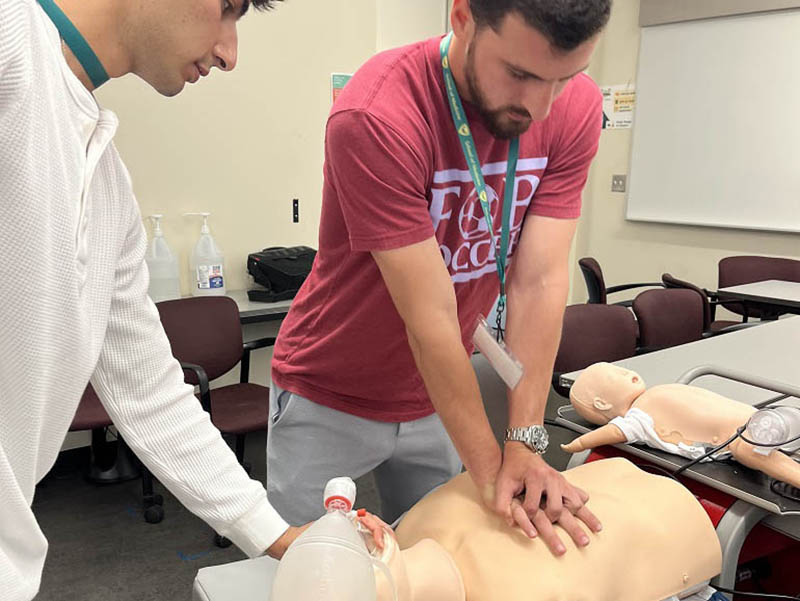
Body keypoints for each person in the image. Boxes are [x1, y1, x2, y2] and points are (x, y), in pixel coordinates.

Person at [0, 0, 329, 598]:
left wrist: (281, 538)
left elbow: (150, 393)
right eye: (228, 9)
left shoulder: (105, 188)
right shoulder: (12, 40)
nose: (230, 53)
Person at [269, 0, 610, 556]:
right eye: (520, 74)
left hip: (438, 400)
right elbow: (429, 320)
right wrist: (492, 468)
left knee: (446, 563)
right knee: (309, 571)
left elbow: (540, 283)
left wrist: (524, 444)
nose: (541, 107)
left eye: (564, 78)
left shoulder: (574, 109)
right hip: (331, 391)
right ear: (462, 17)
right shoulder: (379, 114)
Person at [560, 362, 800, 488]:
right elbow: (612, 433)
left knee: (780, 444)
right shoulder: (636, 419)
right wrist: (580, 442)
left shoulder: (654, 393)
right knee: (762, 454)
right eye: (616, 374)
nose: (627, 372)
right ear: (601, 403)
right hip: (737, 438)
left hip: (755, 418)